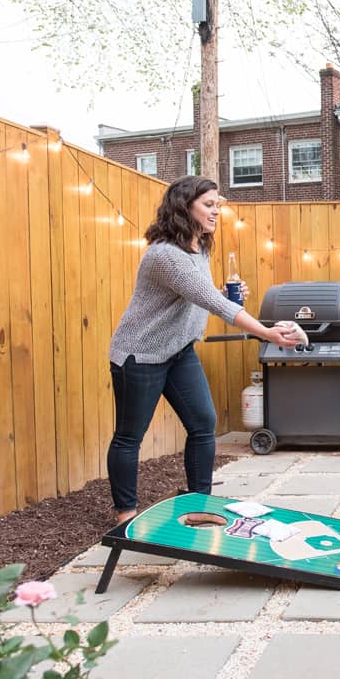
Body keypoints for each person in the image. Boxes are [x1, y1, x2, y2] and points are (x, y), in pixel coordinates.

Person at [107, 175, 307, 524]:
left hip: (178, 351)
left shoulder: (197, 247)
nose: (217, 212)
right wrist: (265, 332)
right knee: (129, 437)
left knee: (203, 423)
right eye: (209, 205)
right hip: (140, 355)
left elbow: (200, 293)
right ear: (185, 207)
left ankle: (199, 506)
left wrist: (229, 291)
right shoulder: (165, 255)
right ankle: (125, 514)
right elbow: (210, 301)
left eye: (218, 205)